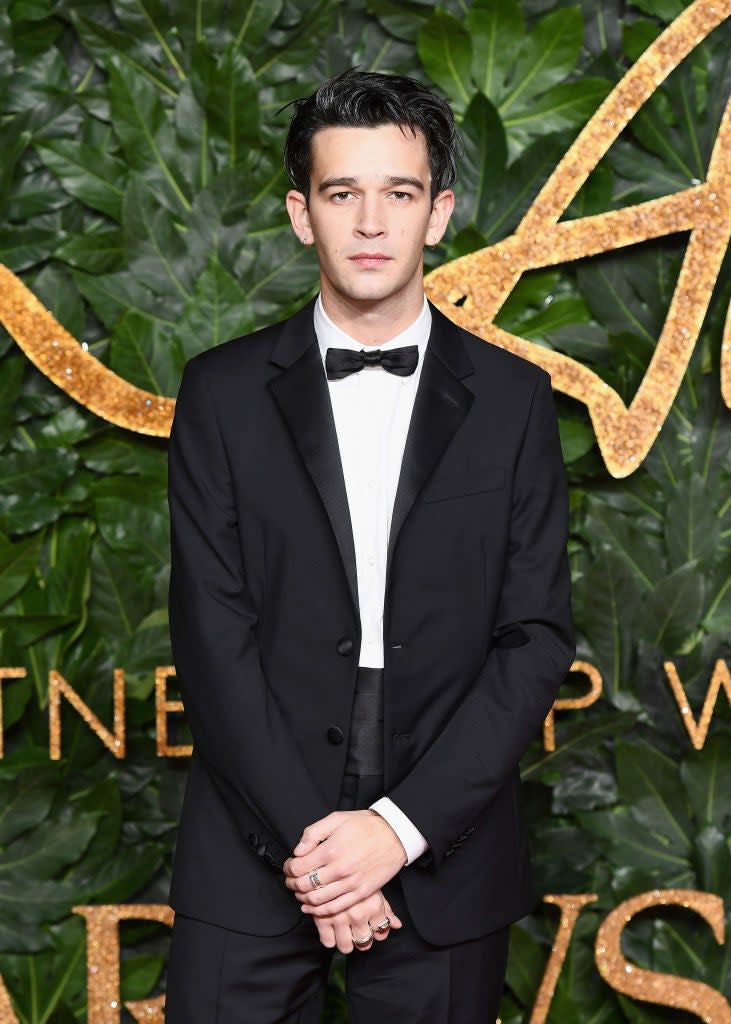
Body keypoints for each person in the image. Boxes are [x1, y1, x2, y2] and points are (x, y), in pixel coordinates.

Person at [164, 67, 575, 1023]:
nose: (371, 222)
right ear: (301, 214)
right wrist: (322, 852)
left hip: (448, 830)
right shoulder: (220, 394)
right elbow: (210, 633)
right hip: (251, 832)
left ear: (439, 213)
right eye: (343, 194)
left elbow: (535, 638)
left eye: (399, 193)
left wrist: (397, 830)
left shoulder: (514, 402)